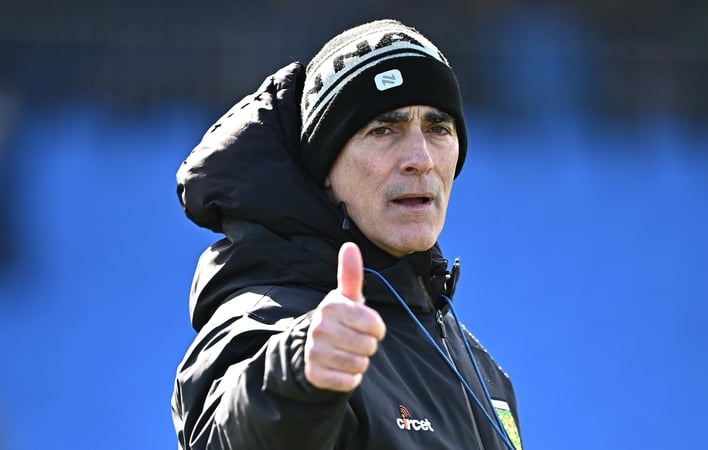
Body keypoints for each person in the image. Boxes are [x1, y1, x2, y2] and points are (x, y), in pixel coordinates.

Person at [172, 19, 522, 450]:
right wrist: (299, 379)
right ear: (325, 172)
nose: (420, 159)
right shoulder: (271, 329)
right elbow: (232, 433)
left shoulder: (481, 369)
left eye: (438, 128)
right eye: (383, 130)